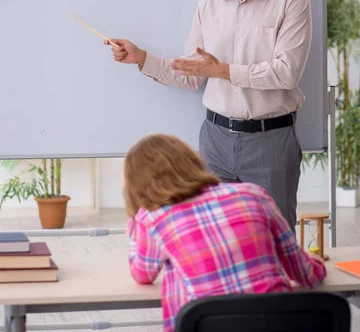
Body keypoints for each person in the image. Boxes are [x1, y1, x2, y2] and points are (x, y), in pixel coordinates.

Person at [106, 0, 312, 231]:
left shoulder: (292, 0)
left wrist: (225, 71)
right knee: (218, 237)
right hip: (215, 140)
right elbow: (192, 76)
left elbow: (287, 74)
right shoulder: (208, 4)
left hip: (270, 139)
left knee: (274, 237)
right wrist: (141, 57)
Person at [123, 134, 326, 332]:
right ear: (190, 161)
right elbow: (306, 274)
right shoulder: (252, 194)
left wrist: (136, 221)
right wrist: (319, 265)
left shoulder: (154, 219)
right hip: (277, 323)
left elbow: (142, 274)